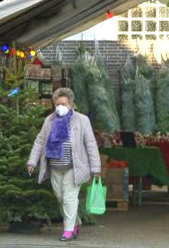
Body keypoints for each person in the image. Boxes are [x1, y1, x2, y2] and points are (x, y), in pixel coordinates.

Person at [27, 87, 101, 241]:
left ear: (71, 104)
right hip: (55, 166)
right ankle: (75, 222)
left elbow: (90, 144)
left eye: (63, 104)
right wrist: (32, 161)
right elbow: (40, 140)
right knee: (60, 197)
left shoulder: (82, 120)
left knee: (69, 198)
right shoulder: (49, 120)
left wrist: (95, 168)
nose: (60, 107)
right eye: (57, 104)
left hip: (73, 167)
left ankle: (68, 230)